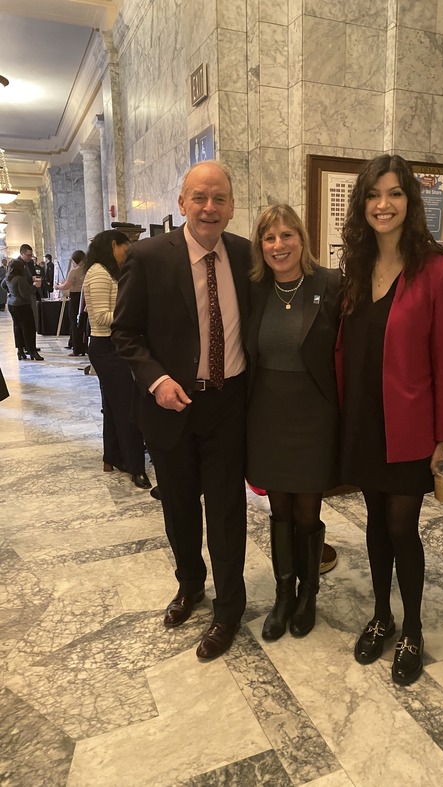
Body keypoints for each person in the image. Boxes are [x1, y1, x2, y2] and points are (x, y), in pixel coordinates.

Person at [337, 154, 443, 685]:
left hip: (411, 426)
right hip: (364, 421)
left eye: (394, 194)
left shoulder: (440, 271)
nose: (383, 205)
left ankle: (412, 626)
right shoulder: (357, 267)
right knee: (374, 524)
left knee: (400, 526)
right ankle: (381, 616)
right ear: (362, 205)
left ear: (410, 203)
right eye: (373, 195)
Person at [111, 161, 250, 661]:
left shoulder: (244, 255)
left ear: (232, 205)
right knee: (180, 507)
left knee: (228, 511)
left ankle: (230, 607)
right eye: (200, 198)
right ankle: (190, 584)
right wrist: (157, 380)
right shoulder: (148, 258)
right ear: (182, 202)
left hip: (228, 405)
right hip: (171, 405)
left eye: (219, 198)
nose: (209, 208)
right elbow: (124, 333)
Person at [247, 204, 341, 641]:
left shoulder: (331, 284)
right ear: (260, 246)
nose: (278, 245)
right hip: (267, 414)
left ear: (302, 239)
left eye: (287, 235)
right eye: (269, 238)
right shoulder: (254, 289)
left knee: (307, 512)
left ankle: (309, 595)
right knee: (279, 510)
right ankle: (284, 596)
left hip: (314, 415)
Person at [83, 230, 151, 491]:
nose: (128, 251)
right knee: (128, 408)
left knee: (113, 407)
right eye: (126, 246)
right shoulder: (99, 273)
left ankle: (112, 457)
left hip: (113, 346)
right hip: (107, 348)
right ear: (114, 245)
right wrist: (134, 315)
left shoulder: (106, 271)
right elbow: (100, 317)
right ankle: (136, 468)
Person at [1, 258, 43, 360]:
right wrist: (35, 286)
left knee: (18, 328)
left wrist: (11, 293)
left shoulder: (8, 277)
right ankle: (32, 351)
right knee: (29, 328)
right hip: (22, 305)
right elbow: (26, 294)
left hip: (12, 304)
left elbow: (3, 285)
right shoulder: (19, 279)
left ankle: (20, 351)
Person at [55, 250, 87, 356]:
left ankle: (76, 349)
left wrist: (58, 286)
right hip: (85, 297)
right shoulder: (87, 269)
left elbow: (66, 286)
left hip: (75, 297)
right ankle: (84, 347)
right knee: (83, 322)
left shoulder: (74, 271)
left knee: (74, 322)